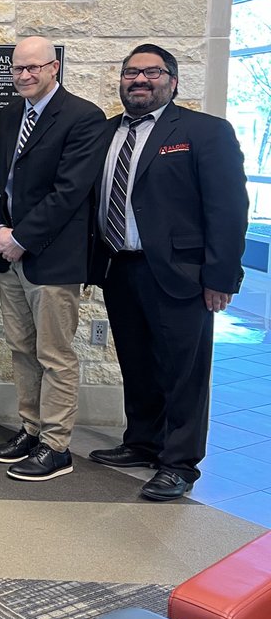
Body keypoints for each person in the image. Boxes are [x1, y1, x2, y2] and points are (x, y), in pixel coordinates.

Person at [88, 45, 247, 501]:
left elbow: (229, 207)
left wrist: (221, 276)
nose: (139, 80)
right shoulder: (106, 133)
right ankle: (141, 442)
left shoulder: (204, 132)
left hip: (183, 273)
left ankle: (178, 463)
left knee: (184, 371)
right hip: (120, 267)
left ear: (173, 81)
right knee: (136, 363)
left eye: (151, 72)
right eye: (130, 73)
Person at [0, 36, 108, 481]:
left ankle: (56, 446)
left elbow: (70, 192)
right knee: (21, 349)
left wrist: (24, 239)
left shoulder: (84, 117)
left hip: (52, 258)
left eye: (34, 67)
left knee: (54, 354)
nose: (25, 75)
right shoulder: (10, 115)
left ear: (54, 67)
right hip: (10, 253)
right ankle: (31, 431)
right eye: (18, 68)